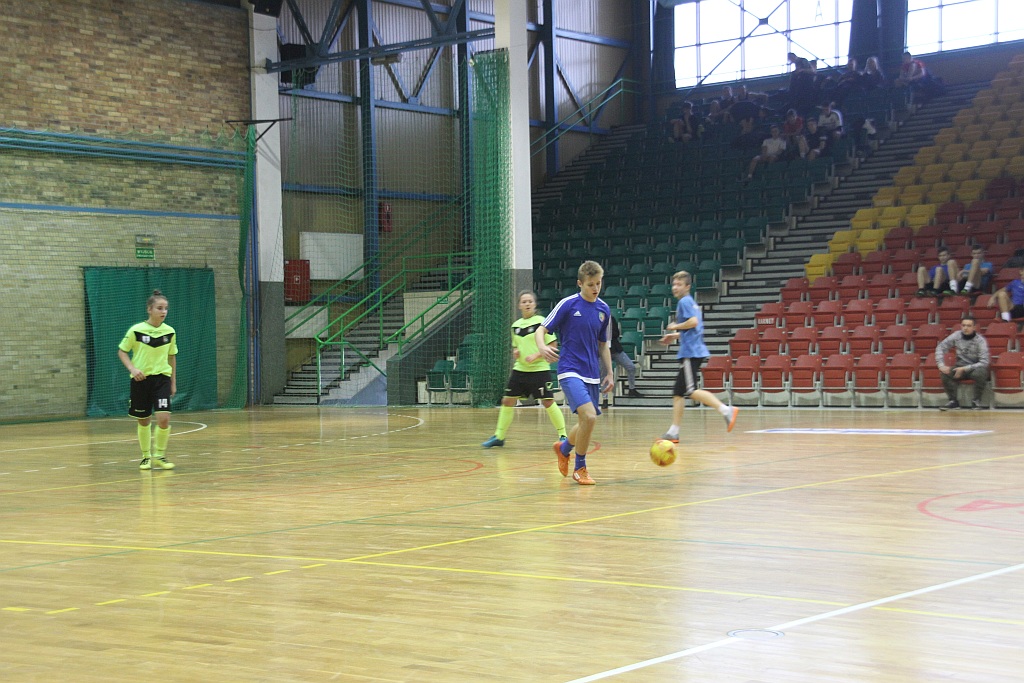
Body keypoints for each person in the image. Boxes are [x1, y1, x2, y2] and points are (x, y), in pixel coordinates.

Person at [536, 261, 614, 486]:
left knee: (585, 422)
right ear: (580, 283)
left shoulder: (604, 310)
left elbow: (603, 344)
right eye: (590, 284)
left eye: (598, 283)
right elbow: (542, 329)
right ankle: (580, 467)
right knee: (589, 417)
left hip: (592, 373)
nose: (595, 288)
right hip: (569, 369)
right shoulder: (568, 304)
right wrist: (542, 347)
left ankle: (563, 448)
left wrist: (609, 372)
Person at [658, 271, 739, 442]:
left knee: (690, 390)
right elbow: (694, 329)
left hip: (690, 352)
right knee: (678, 392)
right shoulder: (692, 303)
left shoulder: (684, 302)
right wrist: (675, 336)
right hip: (693, 350)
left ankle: (726, 410)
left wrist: (674, 327)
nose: (675, 287)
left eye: (679, 284)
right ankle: (674, 432)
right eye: (674, 284)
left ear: (687, 287)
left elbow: (693, 322)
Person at [481, 290, 568, 448]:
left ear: (535, 305)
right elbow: (516, 346)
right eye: (524, 301)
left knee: (548, 402)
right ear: (519, 305)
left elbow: (552, 345)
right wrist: (516, 352)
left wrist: (536, 355)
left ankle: (563, 435)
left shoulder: (542, 322)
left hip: (539, 370)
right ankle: (499, 436)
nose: (527, 304)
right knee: (507, 401)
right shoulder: (515, 326)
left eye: (530, 301)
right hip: (520, 370)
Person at [117, 290, 177, 470]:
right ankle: (146, 457)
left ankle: (160, 455)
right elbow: (122, 351)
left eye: (166, 308)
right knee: (143, 419)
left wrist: (173, 382)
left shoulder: (170, 332)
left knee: (164, 418)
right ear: (149, 309)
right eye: (159, 308)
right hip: (141, 381)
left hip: (162, 380)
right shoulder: (136, 330)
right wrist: (132, 369)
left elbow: (172, 357)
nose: (163, 311)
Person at [935, 315, 990, 411]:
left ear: (974, 327)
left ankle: (976, 401)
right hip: (959, 366)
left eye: (969, 326)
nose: (965, 328)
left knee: (981, 372)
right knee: (945, 373)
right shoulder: (956, 335)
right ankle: (953, 401)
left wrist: (965, 368)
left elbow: (984, 362)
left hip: (975, 368)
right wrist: (941, 365)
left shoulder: (980, 341)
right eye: (963, 325)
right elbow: (941, 347)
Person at [609, 315, 643, 398]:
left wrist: (606, 334)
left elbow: (616, 333)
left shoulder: (611, 318)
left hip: (615, 349)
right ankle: (605, 398)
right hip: (601, 351)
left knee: (631, 367)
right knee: (603, 374)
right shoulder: (593, 319)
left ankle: (632, 389)